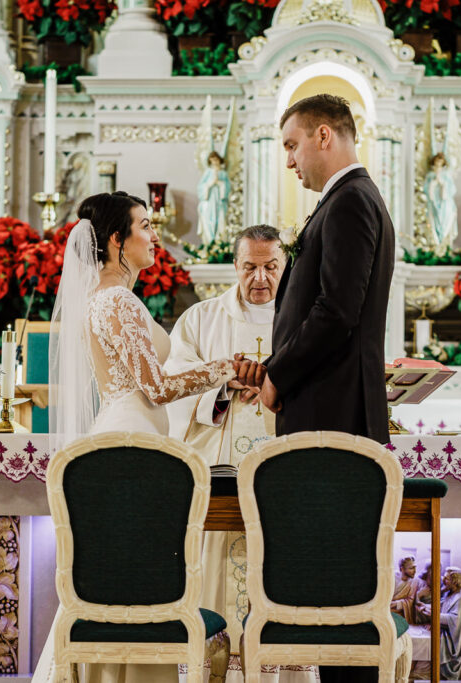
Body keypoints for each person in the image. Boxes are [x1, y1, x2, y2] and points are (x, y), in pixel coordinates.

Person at [36, 191, 238, 683]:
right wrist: (225, 368)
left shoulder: (102, 297)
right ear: (115, 241)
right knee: (141, 581)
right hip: (134, 443)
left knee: (125, 579)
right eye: (145, 226)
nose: (155, 235)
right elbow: (156, 386)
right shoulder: (117, 300)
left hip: (127, 433)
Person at [240, 93, 395, 683]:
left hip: (334, 422)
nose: (289, 161)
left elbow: (336, 312)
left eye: (292, 145)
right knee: (332, 587)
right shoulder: (346, 202)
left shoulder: (351, 202)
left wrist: (278, 375)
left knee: (338, 592)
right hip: (332, 415)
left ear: (324, 135)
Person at [166, 225, 315, 682]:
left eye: (271, 267)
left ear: (284, 266)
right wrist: (222, 387)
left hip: (283, 474)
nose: (260, 278)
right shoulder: (200, 319)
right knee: (215, 574)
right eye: (250, 267)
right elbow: (171, 389)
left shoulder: (307, 322)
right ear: (235, 266)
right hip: (219, 475)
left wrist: (277, 389)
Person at [422, 153, 458, 254]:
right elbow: (428, 194)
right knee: (434, 224)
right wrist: (433, 184)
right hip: (433, 206)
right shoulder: (430, 177)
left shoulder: (447, 177)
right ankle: (435, 248)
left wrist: (442, 184)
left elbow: (448, 194)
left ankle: (445, 248)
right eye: (436, 164)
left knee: (446, 224)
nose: (438, 167)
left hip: (445, 206)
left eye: (440, 165)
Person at [437, 567, 461, 681]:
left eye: (446, 579)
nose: (443, 580)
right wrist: (426, 609)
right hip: (445, 631)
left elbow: (455, 620)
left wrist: (434, 617)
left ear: (454, 581)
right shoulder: (450, 592)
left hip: (452, 638)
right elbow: (441, 606)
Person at [197, 151, 231, 245]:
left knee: (220, 222)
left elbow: (227, 187)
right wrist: (210, 184)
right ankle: (209, 243)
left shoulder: (223, 174)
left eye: (216, 160)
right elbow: (201, 186)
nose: (214, 162)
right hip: (209, 201)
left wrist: (220, 183)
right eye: (212, 160)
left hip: (219, 202)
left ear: (219, 160)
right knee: (208, 221)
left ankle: (219, 244)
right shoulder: (208, 172)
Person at [390, 557, 421, 624]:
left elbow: (410, 601)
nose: (415, 571)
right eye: (411, 568)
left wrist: (396, 604)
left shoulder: (414, 582)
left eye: (415, 567)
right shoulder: (391, 577)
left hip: (401, 614)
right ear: (402, 569)